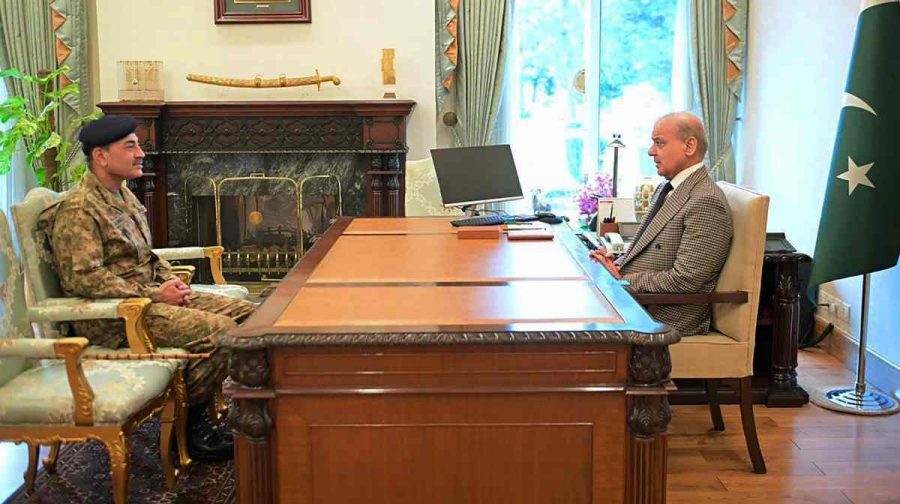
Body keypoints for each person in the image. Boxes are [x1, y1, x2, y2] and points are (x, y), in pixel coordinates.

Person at [38, 115, 256, 461]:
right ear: (101, 156)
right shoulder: (79, 209)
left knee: (253, 318)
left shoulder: (122, 195)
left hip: (149, 298)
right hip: (116, 317)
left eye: (138, 144)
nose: (141, 153)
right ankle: (189, 430)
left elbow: (146, 256)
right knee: (224, 333)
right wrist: (156, 294)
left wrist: (168, 279)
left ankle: (199, 410)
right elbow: (83, 278)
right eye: (130, 146)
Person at [591, 112, 733, 337]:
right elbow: (649, 251)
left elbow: (686, 279)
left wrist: (622, 279)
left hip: (661, 316)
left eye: (659, 143)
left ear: (689, 146)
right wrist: (614, 264)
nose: (650, 151)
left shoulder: (706, 201)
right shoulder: (666, 189)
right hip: (635, 301)